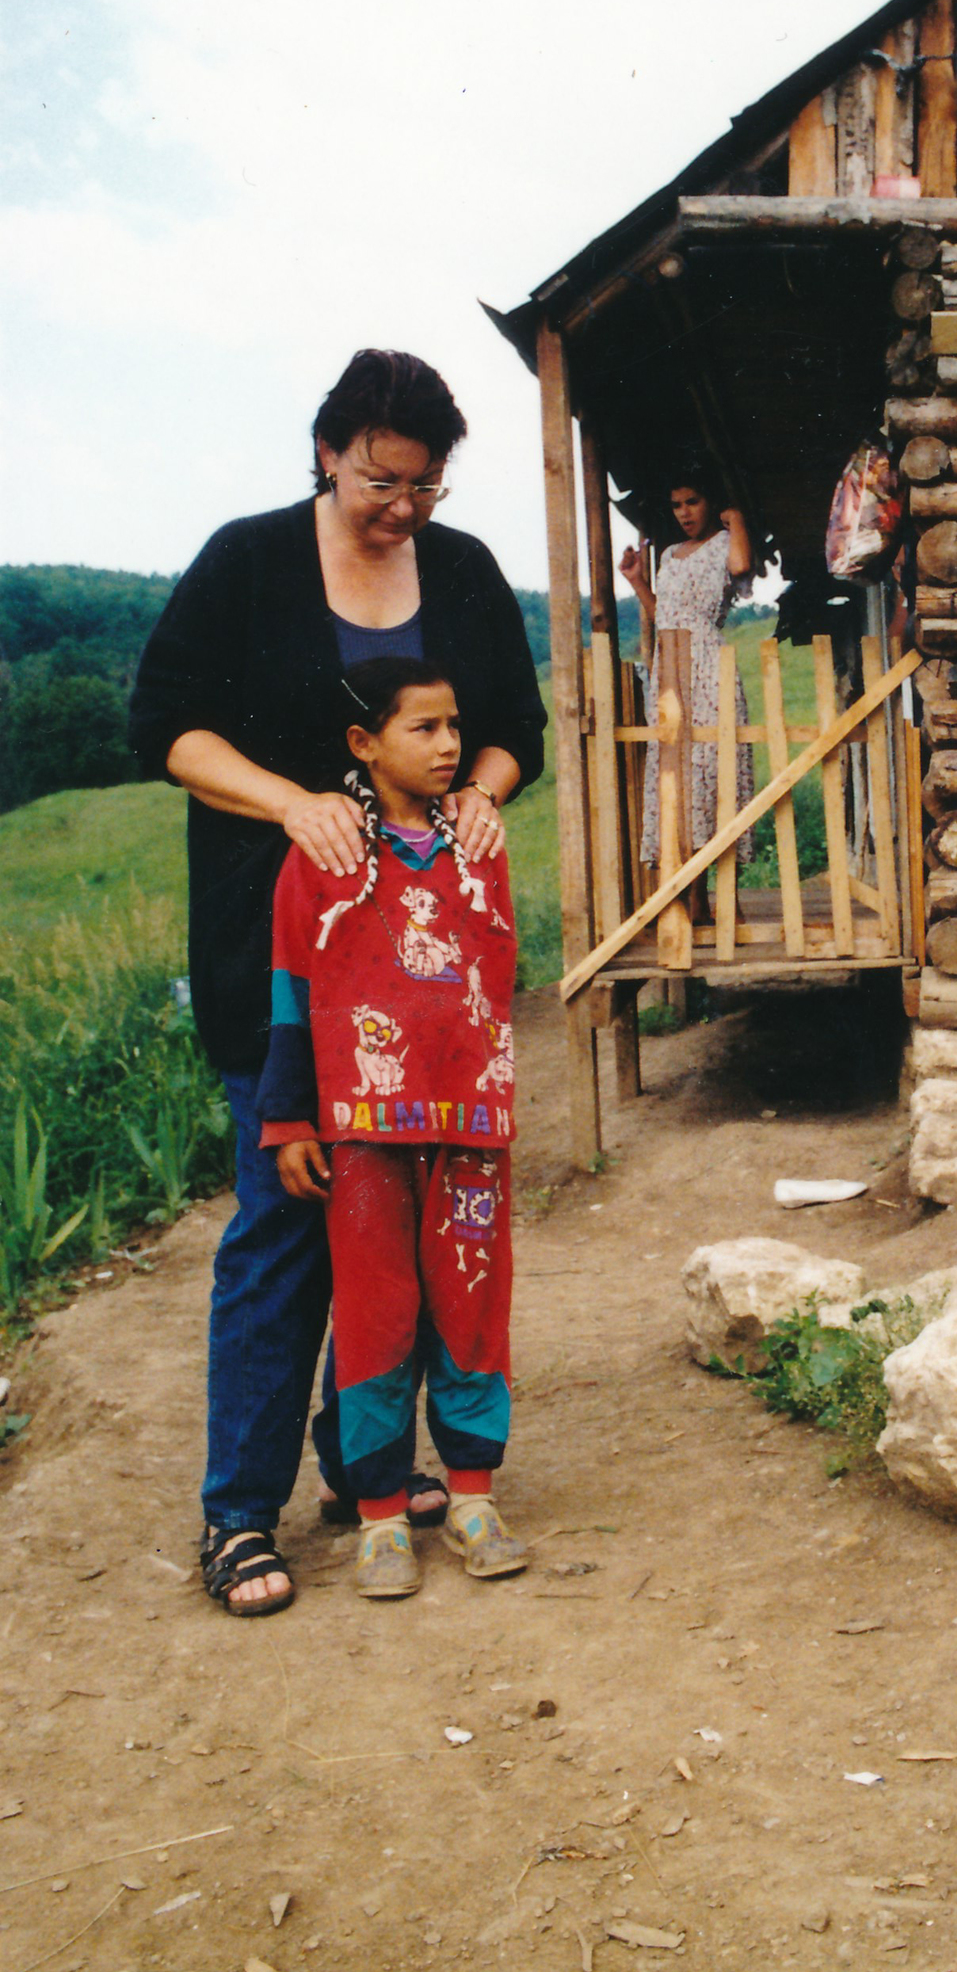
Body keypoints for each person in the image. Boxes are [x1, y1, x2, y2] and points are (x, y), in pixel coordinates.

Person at [129, 349, 546, 1617]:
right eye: (380, 481)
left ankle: (357, 1467)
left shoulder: (462, 571)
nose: (403, 507)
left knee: (399, 1232)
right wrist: (290, 803)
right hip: (279, 958)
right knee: (284, 1217)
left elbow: (512, 732)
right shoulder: (247, 560)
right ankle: (237, 1514)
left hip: (421, 987)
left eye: (424, 485)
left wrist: (480, 797)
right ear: (328, 453)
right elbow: (166, 727)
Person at [257, 659, 527, 1599]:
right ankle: (378, 1512)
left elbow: (497, 977)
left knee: (473, 1299)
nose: (450, 745)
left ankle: (473, 1495)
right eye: (424, 728)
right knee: (376, 1310)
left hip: (470, 1123)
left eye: (455, 725)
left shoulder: (478, 844)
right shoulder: (324, 855)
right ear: (364, 744)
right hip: (364, 1129)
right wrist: (289, 1116)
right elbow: (291, 987)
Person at [619, 469, 755, 916]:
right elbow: (665, 616)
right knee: (677, 777)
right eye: (676, 505)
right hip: (670, 667)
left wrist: (737, 520)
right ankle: (693, 898)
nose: (684, 513)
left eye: (692, 502)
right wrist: (637, 580)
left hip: (707, 665)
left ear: (710, 502)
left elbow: (741, 567)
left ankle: (724, 897)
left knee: (713, 772)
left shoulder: (725, 543)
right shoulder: (670, 555)